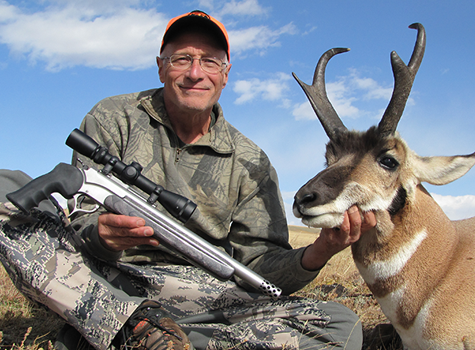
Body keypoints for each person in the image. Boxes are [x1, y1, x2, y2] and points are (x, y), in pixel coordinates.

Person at [0, 10, 376, 350]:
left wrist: (321, 249)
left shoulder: (251, 160)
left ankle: (116, 329)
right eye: (182, 59)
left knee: (340, 325)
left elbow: (259, 264)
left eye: (209, 62)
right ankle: (131, 324)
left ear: (225, 75)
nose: (195, 73)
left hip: (193, 290)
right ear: (161, 67)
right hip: (99, 271)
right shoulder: (113, 117)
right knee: (5, 185)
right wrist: (101, 235)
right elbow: (78, 219)